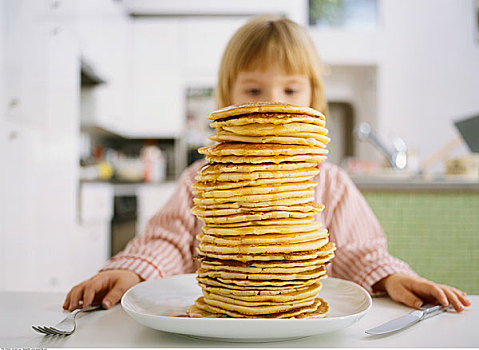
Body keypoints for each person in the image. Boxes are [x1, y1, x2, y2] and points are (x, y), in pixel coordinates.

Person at [63, 15, 471, 313]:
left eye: (290, 89)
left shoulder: (330, 183)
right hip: (219, 325)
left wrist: (392, 277)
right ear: (228, 99)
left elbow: (357, 250)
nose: (272, 105)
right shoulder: (202, 179)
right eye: (254, 89)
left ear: (314, 100)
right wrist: (133, 270)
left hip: (299, 328)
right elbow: (169, 240)